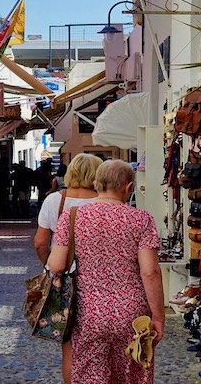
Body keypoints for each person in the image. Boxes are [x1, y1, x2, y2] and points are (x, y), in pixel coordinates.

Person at [48, 160, 164, 384]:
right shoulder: (141, 219)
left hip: (88, 312)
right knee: (133, 370)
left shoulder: (71, 218)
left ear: (96, 184)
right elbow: (150, 272)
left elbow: (56, 266)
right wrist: (158, 317)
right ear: (128, 188)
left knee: (90, 373)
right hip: (132, 312)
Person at [34, 154, 102, 384]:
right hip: (100, 280)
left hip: (65, 280)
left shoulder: (55, 201)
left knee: (69, 346)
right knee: (101, 346)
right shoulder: (104, 202)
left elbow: (41, 242)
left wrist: (50, 266)